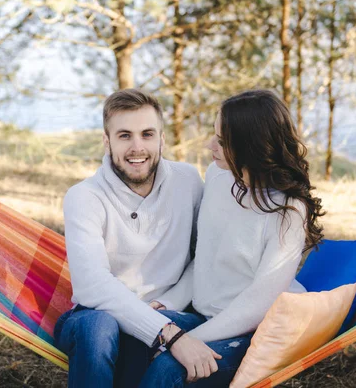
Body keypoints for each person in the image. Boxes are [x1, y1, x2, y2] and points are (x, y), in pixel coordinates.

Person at [137, 89, 325, 387]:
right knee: (133, 336)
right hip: (201, 315)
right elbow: (205, 258)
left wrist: (184, 341)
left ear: (251, 146)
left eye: (222, 142)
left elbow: (257, 304)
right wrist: (168, 302)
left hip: (249, 330)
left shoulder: (288, 210)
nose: (210, 145)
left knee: (168, 367)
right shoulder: (217, 175)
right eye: (214, 135)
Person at [54, 89, 219, 387]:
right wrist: (168, 334)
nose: (137, 147)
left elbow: (203, 258)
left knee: (142, 339)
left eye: (147, 134)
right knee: (98, 327)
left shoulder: (188, 181)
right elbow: (92, 287)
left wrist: (166, 304)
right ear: (107, 142)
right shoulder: (84, 197)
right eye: (125, 135)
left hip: (173, 309)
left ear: (162, 139)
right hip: (98, 317)